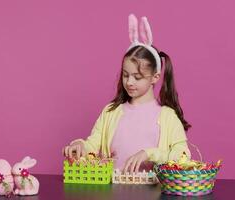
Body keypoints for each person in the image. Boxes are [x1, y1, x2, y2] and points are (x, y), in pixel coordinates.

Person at [62, 14, 191, 173]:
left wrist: (149, 154)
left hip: (153, 193)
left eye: (137, 77)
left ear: (155, 77)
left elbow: (183, 155)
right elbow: (93, 145)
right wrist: (81, 145)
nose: (129, 82)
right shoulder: (111, 112)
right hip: (114, 190)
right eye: (125, 75)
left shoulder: (167, 116)